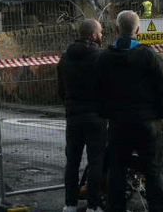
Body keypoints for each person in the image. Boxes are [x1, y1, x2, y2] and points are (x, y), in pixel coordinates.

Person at [98, 10, 163, 212]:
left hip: (119, 121)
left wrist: (106, 112)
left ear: (118, 28)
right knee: (153, 169)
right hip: (147, 121)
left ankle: (116, 207)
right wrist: (161, 112)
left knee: (117, 168)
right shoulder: (148, 54)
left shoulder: (105, 56)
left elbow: (98, 88)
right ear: (138, 29)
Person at [57, 19, 106, 212]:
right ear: (93, 35)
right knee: (96, 162)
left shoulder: (65, 58)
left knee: (72, 162)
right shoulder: (101, 56)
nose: (102, 36)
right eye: (100, 33)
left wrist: (70, 104)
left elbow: (61, 88)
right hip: (96, 115)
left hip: (74, 116)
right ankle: (93, 206)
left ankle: (70, 204)